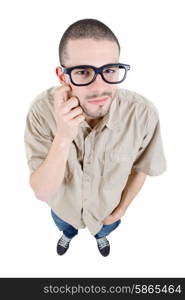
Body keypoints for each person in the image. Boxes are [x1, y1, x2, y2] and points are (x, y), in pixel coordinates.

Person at [24, 18, 167, 257]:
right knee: (66, 227)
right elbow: (42, 191)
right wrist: (63, 135)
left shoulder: (142, 114)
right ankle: (67, 236)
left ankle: (101, 238)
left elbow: (142, 167)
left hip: (106, 214)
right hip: (64, 211)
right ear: (62, 76)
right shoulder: (41, 111)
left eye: (109, 70)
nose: (100, 87)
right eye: (83, 72)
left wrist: (120, 211)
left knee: (104, 231)